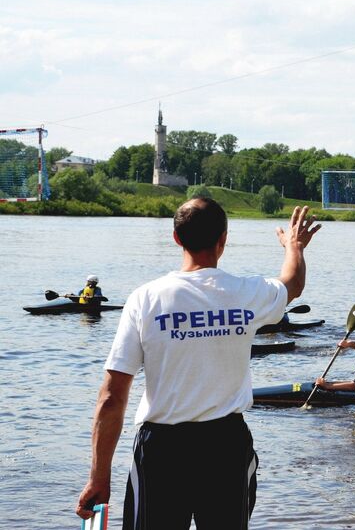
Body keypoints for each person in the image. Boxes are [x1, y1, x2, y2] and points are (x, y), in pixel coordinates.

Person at [76, 199, 320, 529]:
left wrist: (99, 477)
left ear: (176, 238)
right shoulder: (247, 292)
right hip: (225, 447)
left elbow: (111, 397)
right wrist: (294, 246)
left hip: (161, 450)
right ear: (224, 239)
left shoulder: (145, 299)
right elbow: (293, 284)